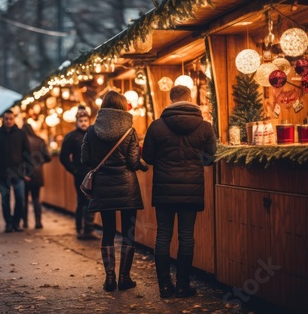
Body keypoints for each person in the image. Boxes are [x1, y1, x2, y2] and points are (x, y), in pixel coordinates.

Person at [142, 85, 217, 298]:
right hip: (191, 190)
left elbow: (147, 158)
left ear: (171, 100)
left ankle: (165, 287)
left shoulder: (156, 126)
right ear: (190, 99)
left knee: (163, 235)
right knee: (186, 236)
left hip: (164, 189)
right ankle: (183, 285)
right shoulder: (205, 126)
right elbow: (210, 158)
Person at [81, 91, 148, 292]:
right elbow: (134, 162)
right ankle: (125, 278)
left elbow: (85, 159)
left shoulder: (92, 131)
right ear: (122, 107)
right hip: (126, 188)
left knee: (108, 231)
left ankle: (109, 278)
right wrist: (144, 165)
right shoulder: (129, 131)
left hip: (103, 187)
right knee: (128, 232)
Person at [0, 110, 30, 233]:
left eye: (11, 118)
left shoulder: (21, 134)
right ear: (3, 119)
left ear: (14, 119)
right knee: (5, 200)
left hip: (18, 173)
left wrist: (28, 171)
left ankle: (16, 222)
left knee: (20, 198)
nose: (9, 121)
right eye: (6, 119)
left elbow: (27, 152)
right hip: (1, 173)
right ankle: (8, 223)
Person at [60, 105, 98, 240]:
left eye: (85, 121)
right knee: (82, 201)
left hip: (92, 173)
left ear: (89, 121)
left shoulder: (93, 135)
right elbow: (63, 157)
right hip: (80, 173)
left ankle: (88, 228)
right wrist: (74, 170)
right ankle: (81, 228)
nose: (83, 123)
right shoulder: (71, 137)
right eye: (81, 121)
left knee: (91, 200)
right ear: (76, 122)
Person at [21, 123, 51, 229]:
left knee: (24, 198)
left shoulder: (21, 141)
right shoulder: (40, 140)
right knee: (36, 198)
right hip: (37, 174)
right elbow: (48, 157)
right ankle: (38, 222)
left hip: (24, 173)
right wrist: (40, 162)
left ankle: (24, 222)